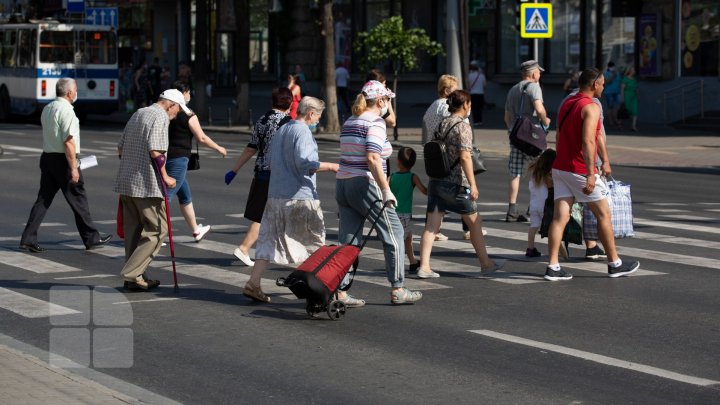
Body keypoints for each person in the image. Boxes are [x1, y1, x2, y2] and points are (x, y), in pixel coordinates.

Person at [545, 68, 640, 281]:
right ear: (594, 84)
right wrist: (590, 173)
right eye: (603, 83)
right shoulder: (591, 107)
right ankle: (615, 263)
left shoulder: (567, 103)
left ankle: (552, 266)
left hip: (561, 167)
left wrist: (562, 162)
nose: (604, 87)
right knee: (603, 214)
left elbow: (560, 135)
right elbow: (589, 141)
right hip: (580, 169)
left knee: (560, 218)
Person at [242, 97, 339, 302]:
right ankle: (318, 289)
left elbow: (270, 161)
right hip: (299, 196)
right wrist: (331, 166)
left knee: (269, 241)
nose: (318, 121)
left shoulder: (282, 130)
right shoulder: (302, 131)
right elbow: (306, 162)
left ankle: (253, 283)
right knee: (314, 242)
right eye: (318, 117)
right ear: (311, 113)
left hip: (276, 194)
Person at [336, 80, 423, 305]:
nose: (388, 104)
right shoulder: (375, 122)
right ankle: (398, 289)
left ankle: (341, 291)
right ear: (382, 100)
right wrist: (386, 190)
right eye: (388, 100)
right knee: (394, 233)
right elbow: (373, 157)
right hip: (365, 185)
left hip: (343, 184)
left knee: (349, 242)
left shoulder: (350, 121)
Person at [20, 78, 112, 253]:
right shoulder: (68, 112)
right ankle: (92, 238)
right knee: (79, 200)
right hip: (64, 161)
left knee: (43, 200)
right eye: (76, 89)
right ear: (70, 92)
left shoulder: (47, 108)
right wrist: (73, 168)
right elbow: (69, 142)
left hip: (47, 158)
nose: (76, 93)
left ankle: (28, 238)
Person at [417, 90, 498, 278]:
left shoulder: (442, 123)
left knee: (431, 226)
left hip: (437, 180)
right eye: (469, 104)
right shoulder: (463, 126)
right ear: (465, 105)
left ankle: (424, 266)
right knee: (475, 222)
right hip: (457, 184)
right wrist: (473, 184)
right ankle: (485, 264)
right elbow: (465, 156)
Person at [114, 89, 189, 291]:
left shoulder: (139, 113)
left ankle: (135, 279)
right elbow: (156, 150)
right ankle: (130, 272)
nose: (176, 115)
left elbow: (120, 149)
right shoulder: (160, 116)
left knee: (133, 233)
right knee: (157, 230)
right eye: (177, 110)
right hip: (147, 185)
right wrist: (165, 176)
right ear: (171, 105)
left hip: (127, 183)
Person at [225, 87, 293, 267]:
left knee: (268, 214)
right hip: (278, 175)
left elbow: (250, 148)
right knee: (269, 215)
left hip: (261, 172)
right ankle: (245, 248)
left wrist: (235, 170)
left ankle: (265, 249)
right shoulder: (288, 122)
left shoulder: (262, 120)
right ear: (290, 103)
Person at [165, 81, 227, 242]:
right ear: (183, 94)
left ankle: (195, 230)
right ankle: (154, 234)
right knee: (164, 197)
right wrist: (218, 148)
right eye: (188, 92)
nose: (190, 95)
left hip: (165, 157)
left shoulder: (166, 111)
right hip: (179, 159)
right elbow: (201, 137)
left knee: (185, 195)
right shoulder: (188, 114)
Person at [420, 74, 467, 241]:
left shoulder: (432, 106)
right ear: (447, 90)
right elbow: (457, 124)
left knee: (436, 193)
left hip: (433, 153)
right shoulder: (445, 106)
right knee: (462, 188)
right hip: (448, 154)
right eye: (455, 89)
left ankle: (434, 230)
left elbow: (425, 129)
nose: (458, 93)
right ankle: (469, 227)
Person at [503, 60, 551, 223]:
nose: (540, 74)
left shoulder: (512, 89)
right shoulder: (534, 87)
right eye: (539, 72)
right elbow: (539, 109)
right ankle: (534, 209)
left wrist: (513, 130)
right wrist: (545, 120)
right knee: (541, 170)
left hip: (516, 136)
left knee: (515, 173)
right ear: (532, 73)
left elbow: (507, 117)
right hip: (533, 138)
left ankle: (512, 210)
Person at [389, 147, 427, 274]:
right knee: (402, 239)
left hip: (392, 212)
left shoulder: (392, 177)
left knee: (407, 237)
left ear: (398, 161)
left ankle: (412, 262)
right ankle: (397, 265)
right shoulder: (413, 177)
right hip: (405, 214)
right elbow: (424, 191)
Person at [526, 149, 556, 257]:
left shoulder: (535, 174)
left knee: (533, 226)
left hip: (533, 205)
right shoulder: (548, 176)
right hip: (545, 206)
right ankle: (555, 252)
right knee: (551, 229)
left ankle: (530, 248)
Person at [603, 61, 622, 129]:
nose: (612, 68)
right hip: (609, 92)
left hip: (617, 92)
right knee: (610, 107)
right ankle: (611, 121)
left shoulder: (618, 73)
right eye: (611, 67)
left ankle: (616, 118)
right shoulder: (605, 73)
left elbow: (620, 82)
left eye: (613, 66)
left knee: (618, 105)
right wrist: (613, 75)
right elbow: (607, 82)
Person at [467, 61, 486, 126]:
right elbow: (484, 85)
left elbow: (468, 85)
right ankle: (480, 121)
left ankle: (475, 121)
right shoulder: (482, 76)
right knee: (480, 108)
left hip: (472, 93)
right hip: (480, 93)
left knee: (474, 108)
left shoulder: (469, 76)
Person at [621, 66, 639, 132]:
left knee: (635, 111)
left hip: (634, 97)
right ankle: (621, 124)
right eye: (633, 70)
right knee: (626, 110)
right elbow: (622, 89)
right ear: (630, 71)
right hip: (627, 96)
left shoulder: (634, 79)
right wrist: (622, 98)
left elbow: (636, 89)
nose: (634, 71)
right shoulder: (625, 79)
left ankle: (633, 126)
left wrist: (637, 96)